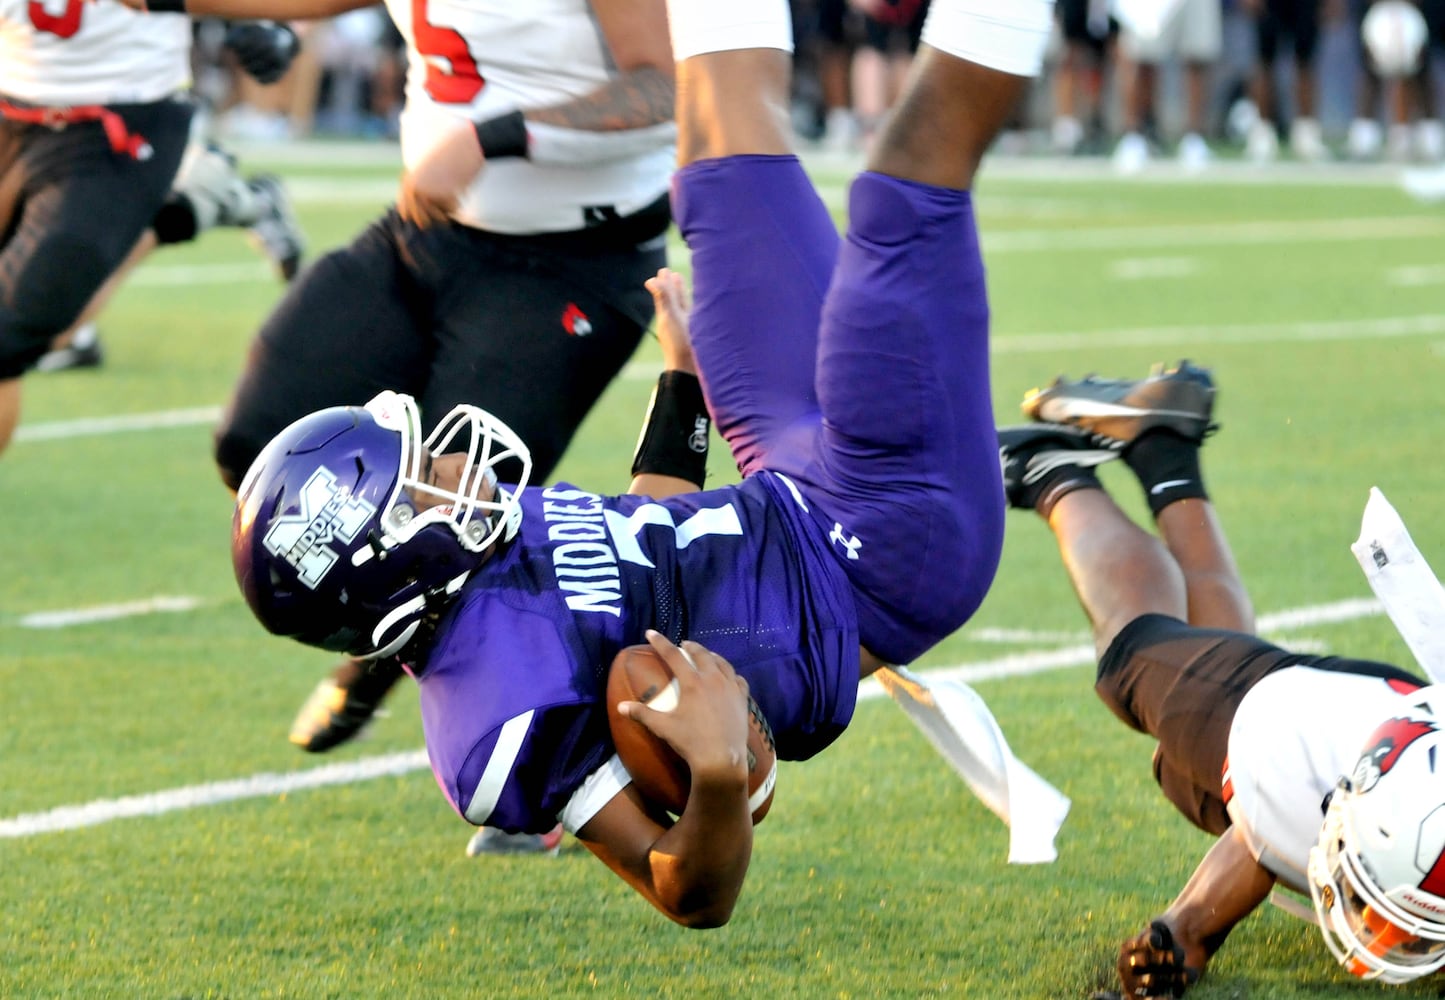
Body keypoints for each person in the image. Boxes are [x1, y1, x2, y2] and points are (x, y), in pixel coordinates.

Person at [229, 0, 1051, 925]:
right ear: (398, 569)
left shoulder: (485, 536)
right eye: (418, 479)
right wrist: (709, 775)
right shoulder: (498, 722)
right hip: (887, 543)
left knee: (712, 152)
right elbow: (687, 894)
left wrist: (681, 382)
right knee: (901, 193)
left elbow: (650, 537)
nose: (449, 463)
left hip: (778, 473)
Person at [120, 0, 681, 774]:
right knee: (259, 441)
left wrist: (491, 139)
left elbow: (665, 86)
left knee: (473, 505)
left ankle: (541, 749)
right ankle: (405, 633)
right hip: (427, 232)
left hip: (576, 260)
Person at [996, 362, 1445, 995]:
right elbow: (1264, 844)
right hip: (1283, 720)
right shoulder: (1310, 799)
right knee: (1131, 658)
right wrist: (1178, 937)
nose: (1384, 934)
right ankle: (1051, 475)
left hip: (1372, 715)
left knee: (1192, 763)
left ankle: (1162, 449)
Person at [0, 5, 304, 446]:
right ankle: (193, 203)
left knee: (15, 334)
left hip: (117, 125)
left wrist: (275, 19)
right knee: (47, 326)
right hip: (12, 108)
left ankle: (191, 202)